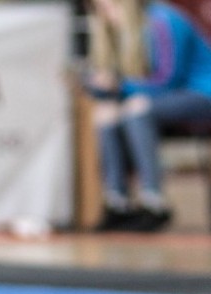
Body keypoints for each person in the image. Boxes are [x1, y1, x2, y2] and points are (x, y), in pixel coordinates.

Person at [85, 0, 211, 232]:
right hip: (164, 98)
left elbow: (167, 79)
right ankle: (117, 202)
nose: (108, 15)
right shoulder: (119, 31)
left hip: (202, 93)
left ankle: (154, 201)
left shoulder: (163, 20)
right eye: (102, 9)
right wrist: (96, 86)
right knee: (106, 113)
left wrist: (118, 86)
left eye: (112, 7)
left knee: (137, 109)